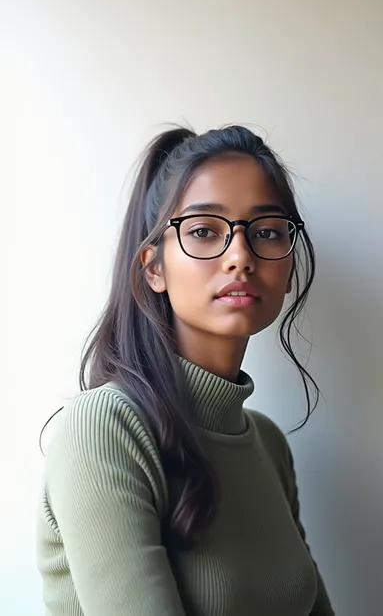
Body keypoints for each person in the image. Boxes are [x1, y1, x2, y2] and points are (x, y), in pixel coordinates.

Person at [36, 125, 334, 616]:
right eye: (203, 231)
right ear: (153, 268)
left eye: (265, 231)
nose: (240, 256)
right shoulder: (105, 429)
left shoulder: (268, 443)